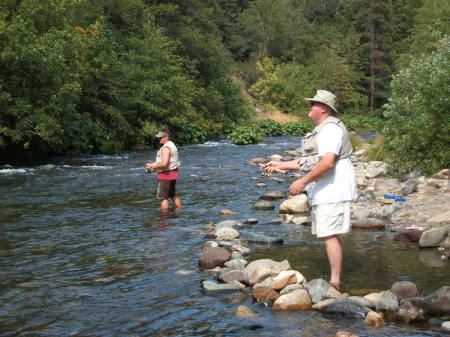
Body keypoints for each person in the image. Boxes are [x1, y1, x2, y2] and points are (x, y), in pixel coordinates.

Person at [263, 90, 357, 290]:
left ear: (323, 108)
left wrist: (303, 182)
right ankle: (336, 280)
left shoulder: (329, 130)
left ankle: (335, 283)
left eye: (313, 104)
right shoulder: (326, 128)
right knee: (329, 234)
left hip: (333, 189)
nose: (310, 107)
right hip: (330, 188)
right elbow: (312, 160)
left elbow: (328, 163)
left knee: (329, 235)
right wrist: (279, 165)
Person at [145, 129, 183, 211]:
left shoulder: (166, 148)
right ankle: (180, 211)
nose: (159, 139)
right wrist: (153, 165)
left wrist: (152, 166)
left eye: (161, 137)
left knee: (163, 198)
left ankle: (164, 219)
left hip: (166, 175)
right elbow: (166, 162)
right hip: (173, 174)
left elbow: (164, 164)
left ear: (166, 137)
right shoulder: (172, 145)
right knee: (172, 195)